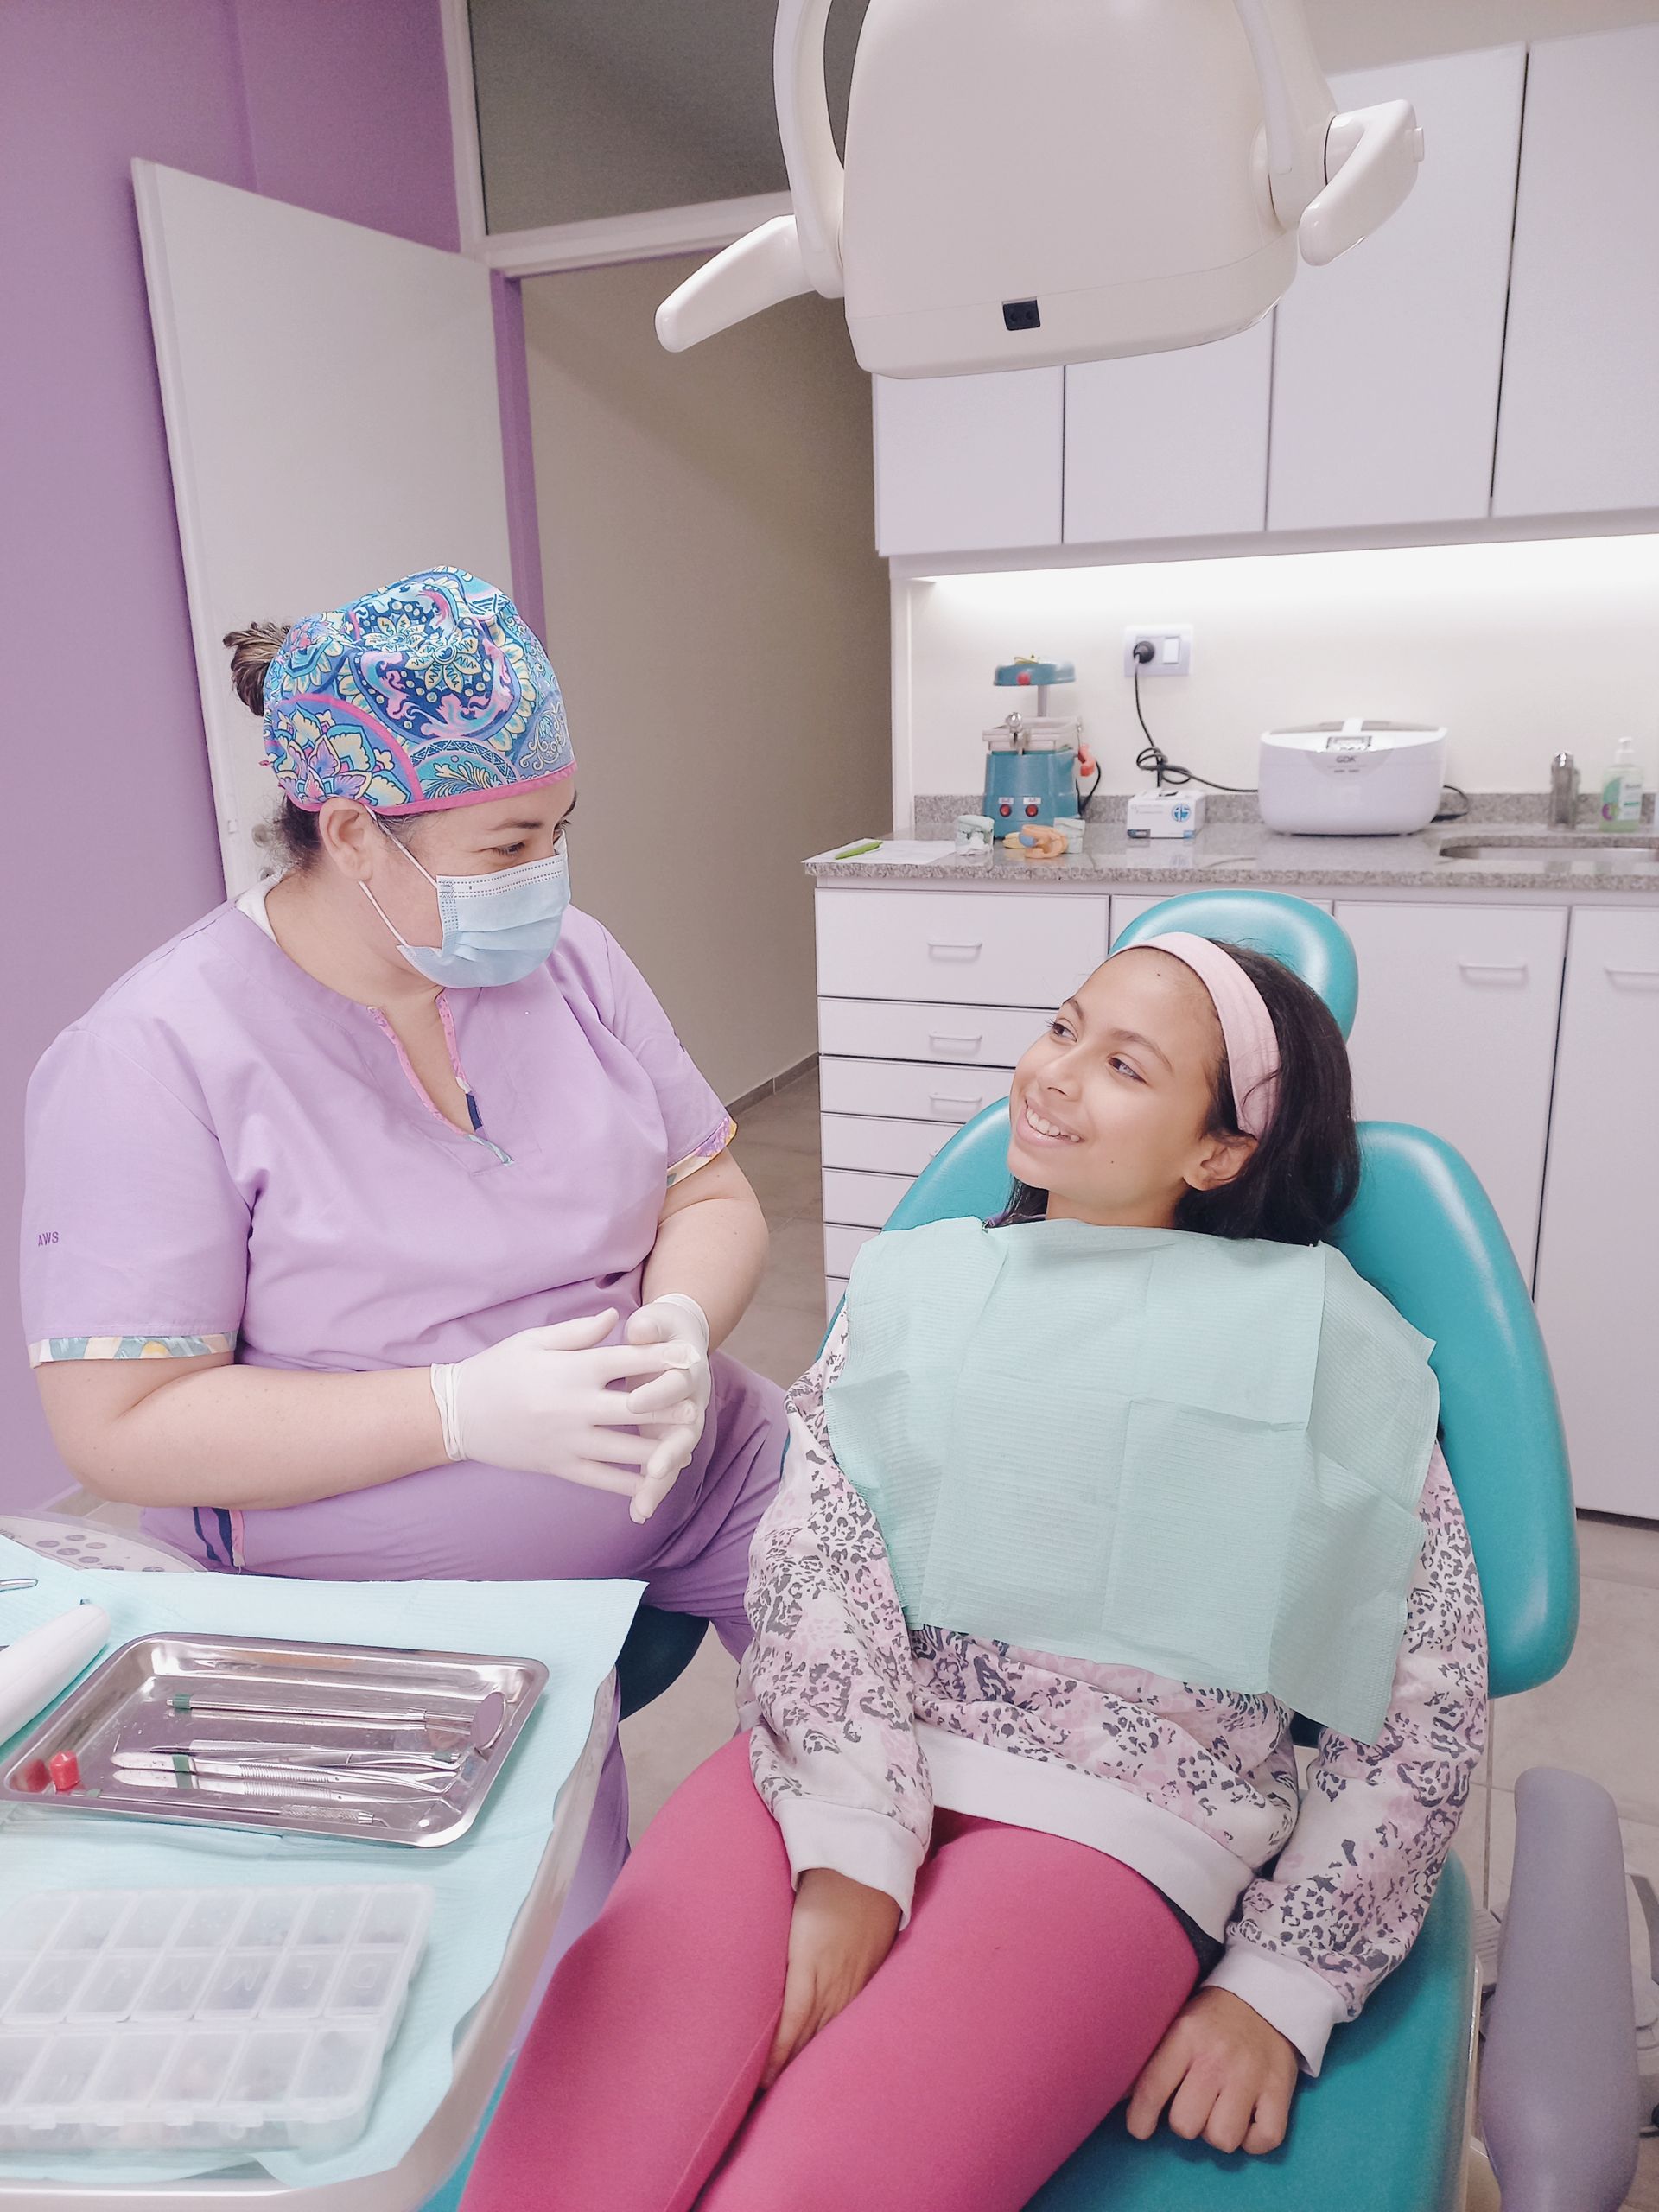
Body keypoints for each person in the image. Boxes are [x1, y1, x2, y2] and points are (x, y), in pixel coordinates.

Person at [459, 932, 1489, 2212]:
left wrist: (1280, 1985)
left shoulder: (1330, 1345)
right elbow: (810, 1566)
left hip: (1119, 1825)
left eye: (1124, 1064)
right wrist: (849, 1851)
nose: (1055, 1075)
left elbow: (1424, 1693)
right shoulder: (921, 1290)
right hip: (824, 1768)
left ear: (1218, 1151)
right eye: (1062, 1028)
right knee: (571, 2164)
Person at [21, 566, 786, 1948]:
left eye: (560, 833)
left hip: (701, 1472)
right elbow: (118, 1427)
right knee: (549, 1960)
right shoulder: (152, 1059)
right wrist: (459, 1413)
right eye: (506, 847)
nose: (549, 879)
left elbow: (712, 1187)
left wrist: (678, 1323)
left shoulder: (575, 966)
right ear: (357, 834)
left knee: (914, 1701)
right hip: (395, 1597)